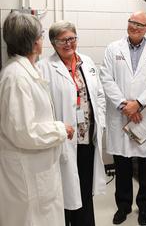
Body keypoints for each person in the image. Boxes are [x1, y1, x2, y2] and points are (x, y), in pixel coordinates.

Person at [0, 12, 74, 226]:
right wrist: (60, 130)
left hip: (38, 169)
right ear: (33, 42)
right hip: (27, 175)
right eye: (41, 35)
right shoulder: (16, 78)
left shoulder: (26, 71)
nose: (43, 39)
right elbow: (24, 132)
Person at [100, 10, 146, 225]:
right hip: (121, 114)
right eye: (132, 22)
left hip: (144, 114)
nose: (135, 27)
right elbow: (106, 79)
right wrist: (124, 105)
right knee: (122, 165)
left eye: (140, 24)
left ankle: (145, 207)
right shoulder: (113, 49)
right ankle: (123, 206)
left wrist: (137, 103)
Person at [38, 20, 107, 226]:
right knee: (64, 191)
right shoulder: (44, 68)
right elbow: (43, 106)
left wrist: (99, 120)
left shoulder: (86, 62)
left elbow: (99, 95)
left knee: (85, 190)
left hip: (87, 138)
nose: (69, 44)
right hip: (63, 140)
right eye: (62, 40)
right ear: (53, 43)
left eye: (72, 38)